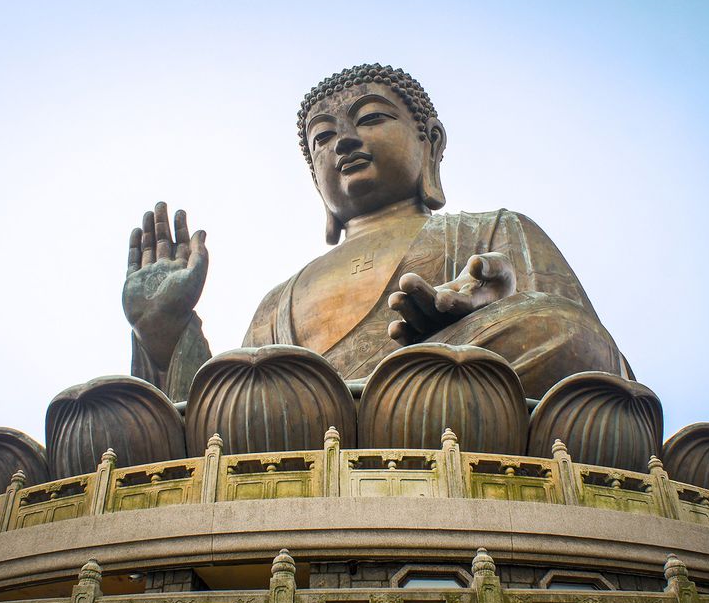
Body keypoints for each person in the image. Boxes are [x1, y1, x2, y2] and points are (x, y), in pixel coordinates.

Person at [122, 65, 628, 402]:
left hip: (446, 404)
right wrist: (164, 331)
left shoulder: (491, 229)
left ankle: (405, 390)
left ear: (429, 144)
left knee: (561, 330)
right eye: (323, 137)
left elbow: (594, 355)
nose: (344, 140)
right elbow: (215, 413)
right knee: (241, 395)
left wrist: (487, 310)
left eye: (371, 118)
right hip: (305, 431)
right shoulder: (279, 302)